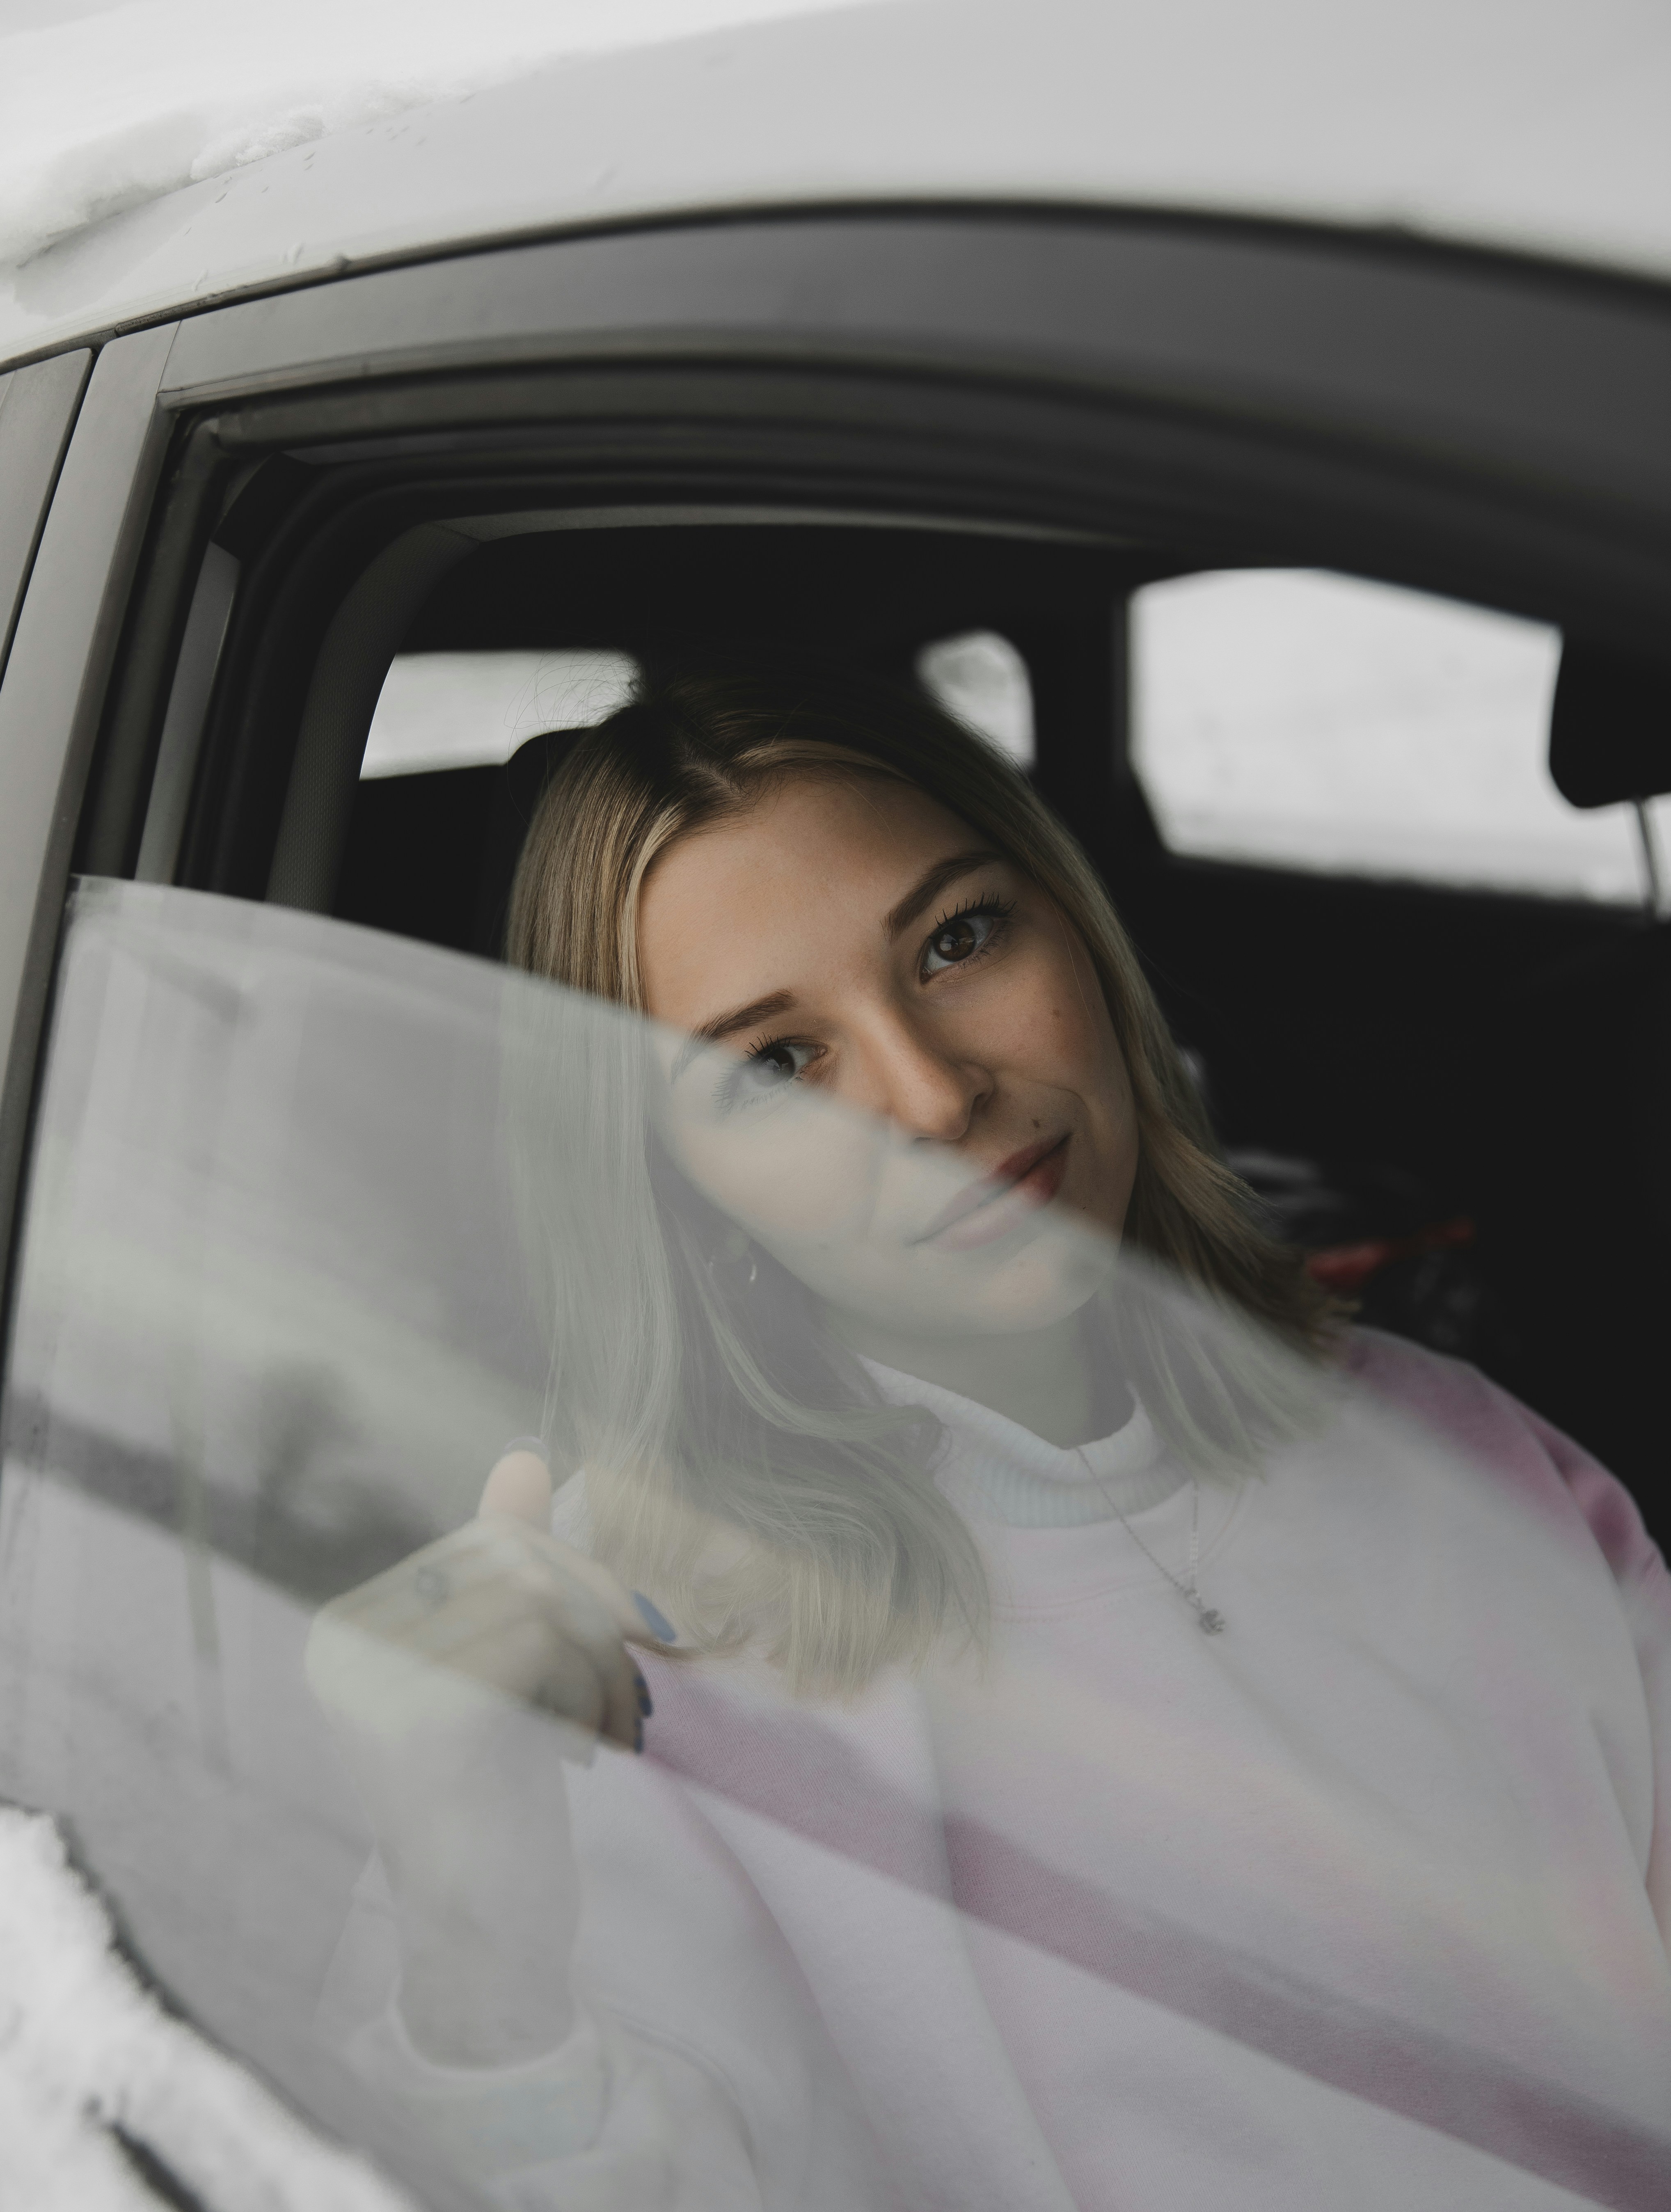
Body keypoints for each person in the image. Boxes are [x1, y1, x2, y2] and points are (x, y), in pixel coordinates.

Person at [307, 662, 1671, 2212]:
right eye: (773, 1064)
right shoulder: (620, 1661)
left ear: (1082, 936)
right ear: (680, 1191)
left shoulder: (1478, 1463)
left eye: (958, 940)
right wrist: (475, 1928)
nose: (934, 1096)